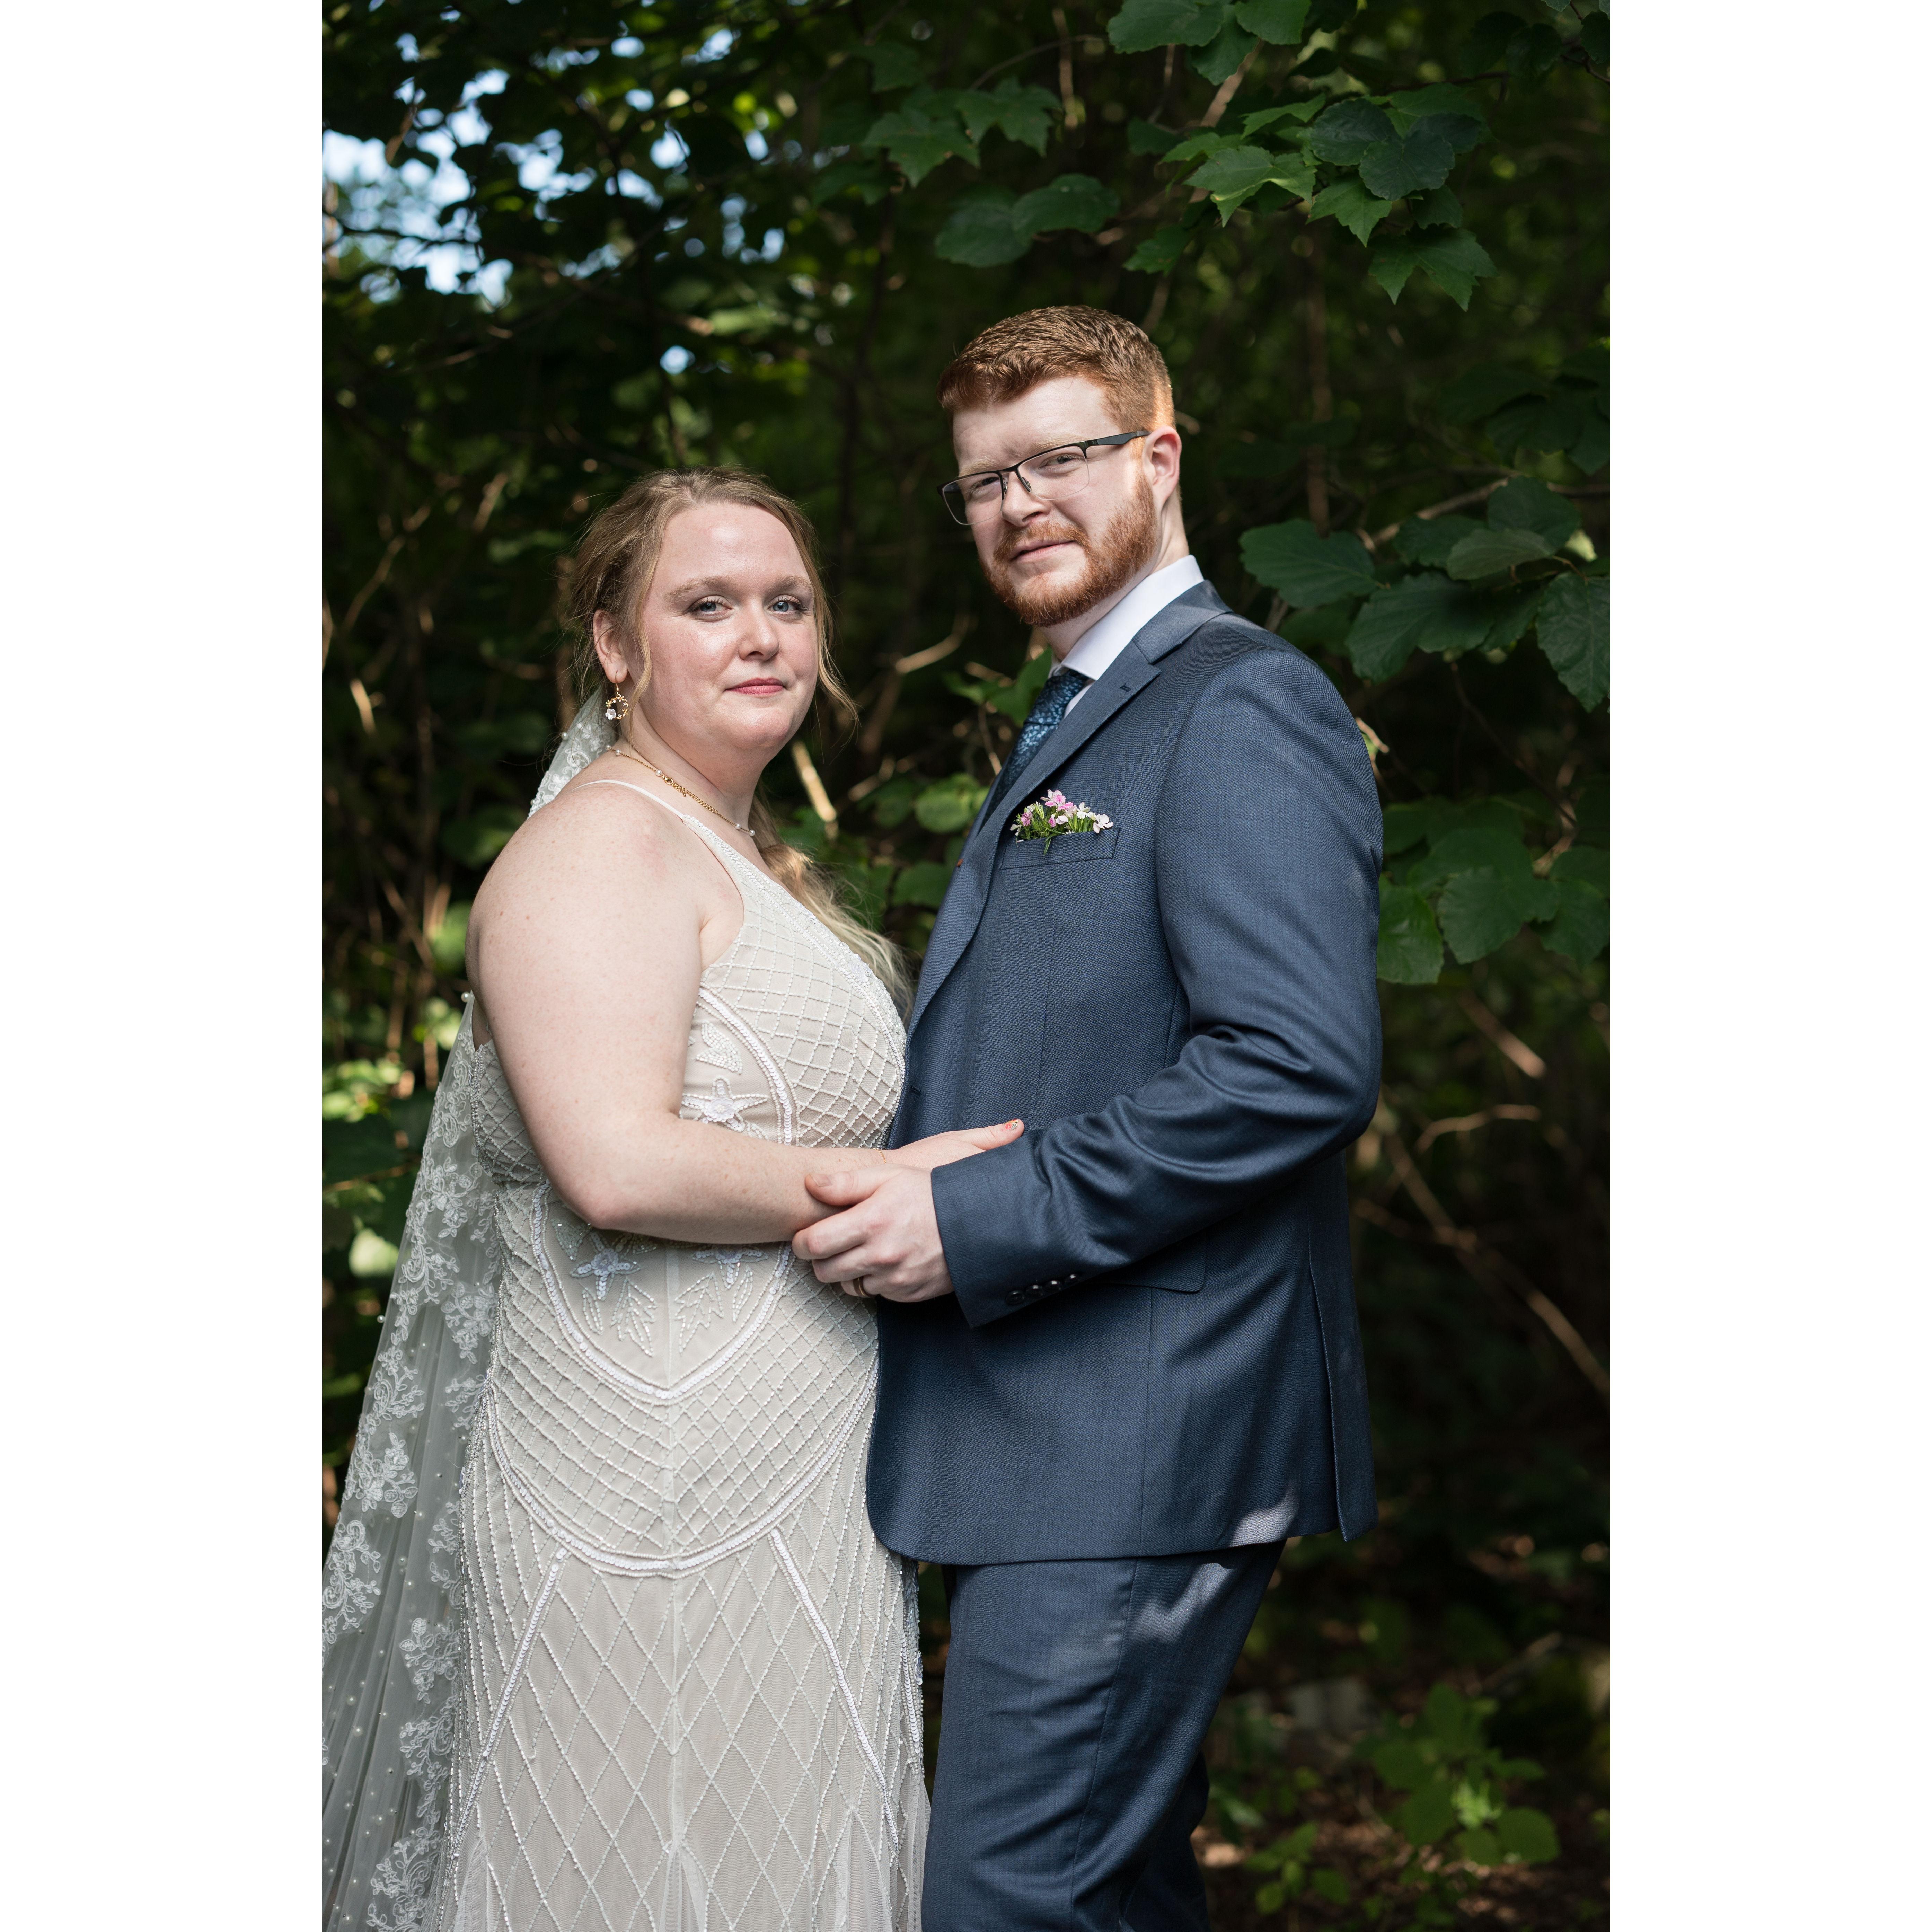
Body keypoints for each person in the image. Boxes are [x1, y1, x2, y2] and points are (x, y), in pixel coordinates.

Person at [322, 468, 1020, 1932]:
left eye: (788, 603)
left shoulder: (739, 855)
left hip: (789, 1480)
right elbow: (615, 1162)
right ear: (615, 644)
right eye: (706, 604)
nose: (760, 634)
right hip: (639, 1488)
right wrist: (899, 1184)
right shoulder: (604, 845)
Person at [794, 306, 1384, 1932]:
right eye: (983, 480)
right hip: (1049, 1425)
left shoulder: (1240, 700)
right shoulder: (1074, 711)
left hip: (1142, 1429)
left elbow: (1295, 1065)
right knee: (1102, 1897)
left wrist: (971, 1217)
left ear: (1160, 456)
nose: (1018, 505)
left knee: (1008, 1898)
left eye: (1059, 458)